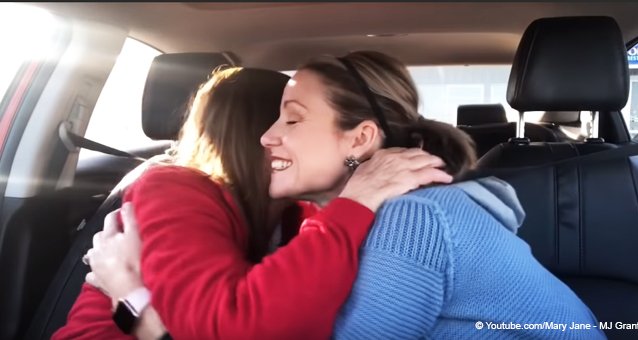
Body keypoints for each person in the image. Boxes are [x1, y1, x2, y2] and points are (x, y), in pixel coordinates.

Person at [77, 51, 604, 339]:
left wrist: (141, 312)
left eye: (292, 118)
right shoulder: (351, 219)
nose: (267, 137)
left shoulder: (414, 218)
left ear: (360, 139)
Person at [53, 66, 450, 340]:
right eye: (279, 120)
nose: (274, 137)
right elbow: (237, 327)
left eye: (294, 121)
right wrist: (356, 201)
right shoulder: (173, 190)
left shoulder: (303, 211)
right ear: (251, 132)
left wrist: (131, 296)